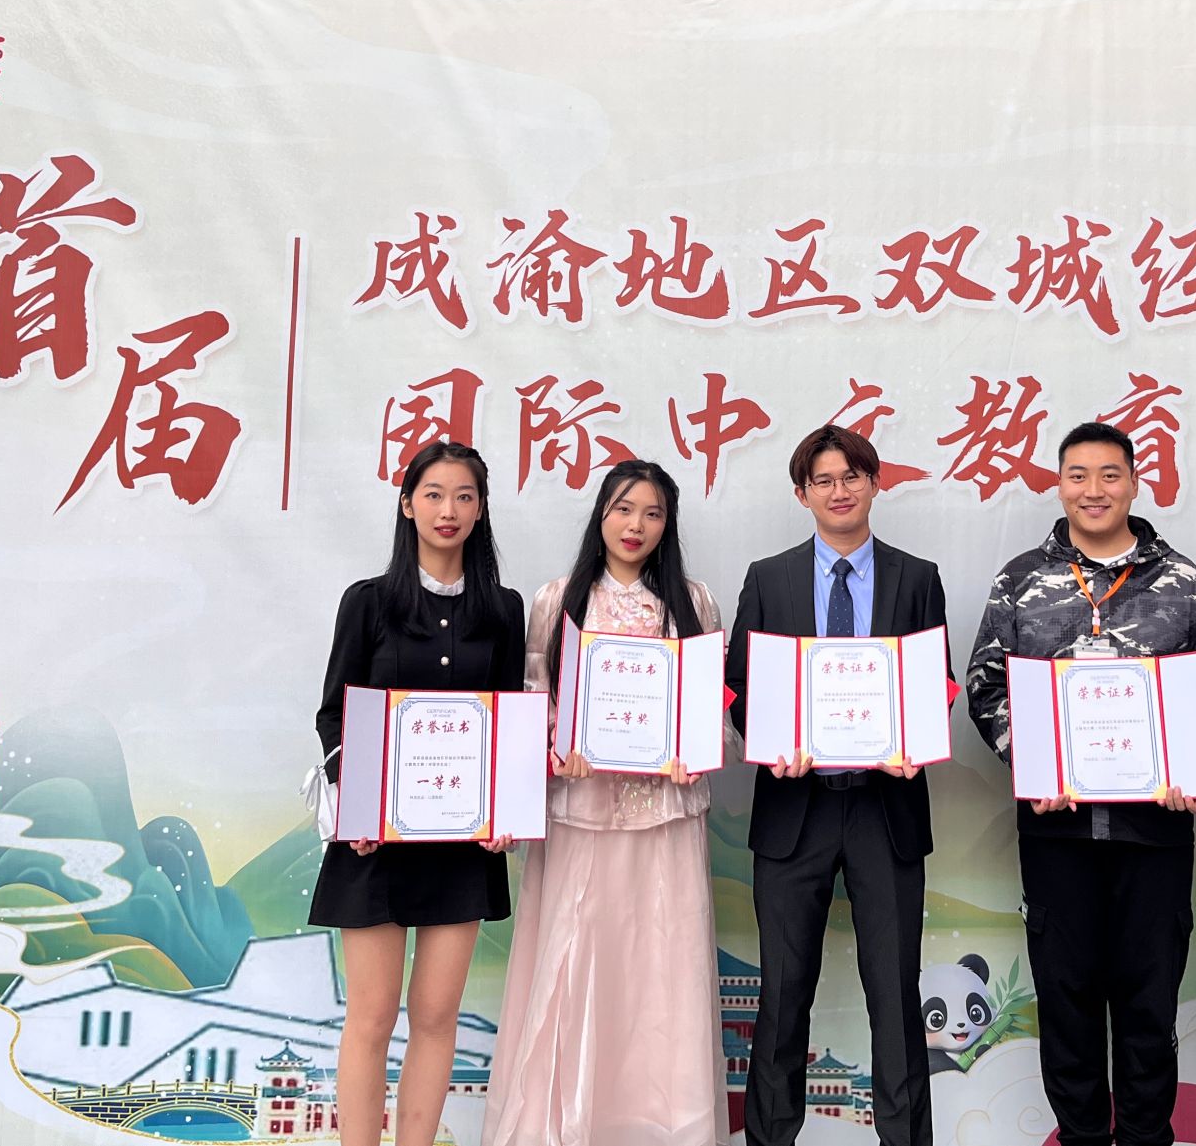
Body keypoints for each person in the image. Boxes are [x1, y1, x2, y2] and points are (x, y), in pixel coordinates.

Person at [965, 421, 1196, 1146]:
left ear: (1135, 483)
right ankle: (1082, 1138)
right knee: (1068, 1003)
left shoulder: (1182, 581)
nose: (1094, 490)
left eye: (1110, 475)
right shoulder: (1021, 580)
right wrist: (1031, 760)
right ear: (1059, 485)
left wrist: (1190, 762)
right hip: (1056, 829)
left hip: (1154, 832)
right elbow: (985, 685)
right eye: (1078, 475)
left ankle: (1147, 1138)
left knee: (1150, 1006)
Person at [484, 459, 732, 1146]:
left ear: (668, 525)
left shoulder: (695, 602)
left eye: (652, 513)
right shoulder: (558, 600)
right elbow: (534, 699)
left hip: (666, 817)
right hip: (581, 812)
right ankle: (563, 1126)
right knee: (575, 962)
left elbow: (712, 710)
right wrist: (557, 746)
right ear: (601, 515)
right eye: (624, 509)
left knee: (662, 969)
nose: (636, 526)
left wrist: (694, 749)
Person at [727, 424, 947, 1146]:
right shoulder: (769, 578)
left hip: (887, 810)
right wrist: (769, 744)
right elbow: (738, 687)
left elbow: (937, 681)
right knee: (782, 998)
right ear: (803, 495)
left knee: (897, 995)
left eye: (852, 476)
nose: (840, 490)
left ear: (875, 484)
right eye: (823, 480)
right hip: (795, 810)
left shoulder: (917, 577)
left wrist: (916, 741)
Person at [309, 441, 524, 1146]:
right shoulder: (368, 602)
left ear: (481, 509)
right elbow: (335, 715)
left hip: (461, 844)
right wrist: (356, 802)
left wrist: (505, 808)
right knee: (371, 1017)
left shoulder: (503, 609)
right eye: (433, 494)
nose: (447, 509)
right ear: (407, 505)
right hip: (374, 841)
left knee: (436, 1017)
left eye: (464, 495)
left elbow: (510, 721)